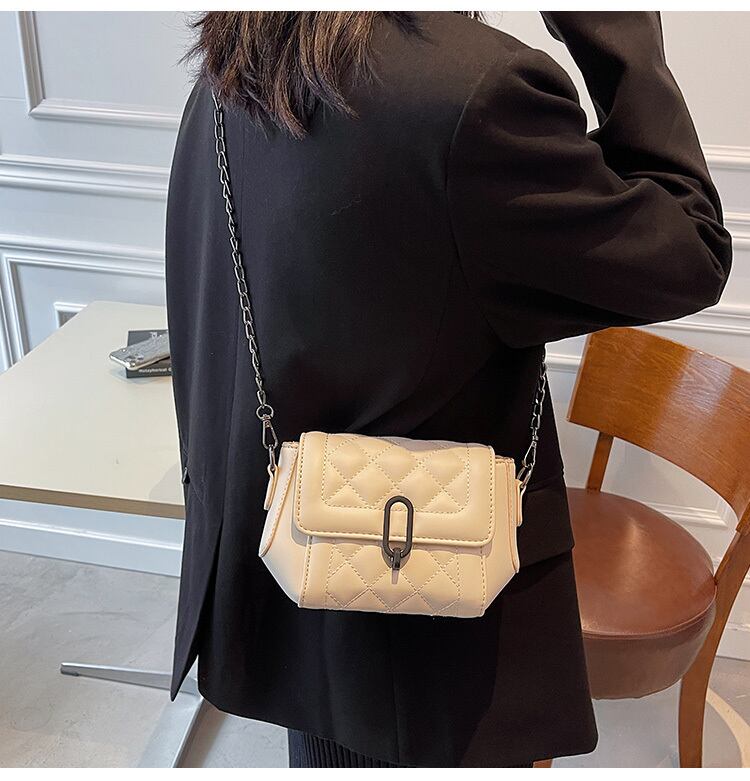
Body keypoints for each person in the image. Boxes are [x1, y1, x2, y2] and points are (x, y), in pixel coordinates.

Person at [165, 11, 731, 768]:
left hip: (297, 572)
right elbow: (689, 247)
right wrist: (617, 33)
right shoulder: (474, 91)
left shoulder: (239, 61)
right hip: (428, 628)